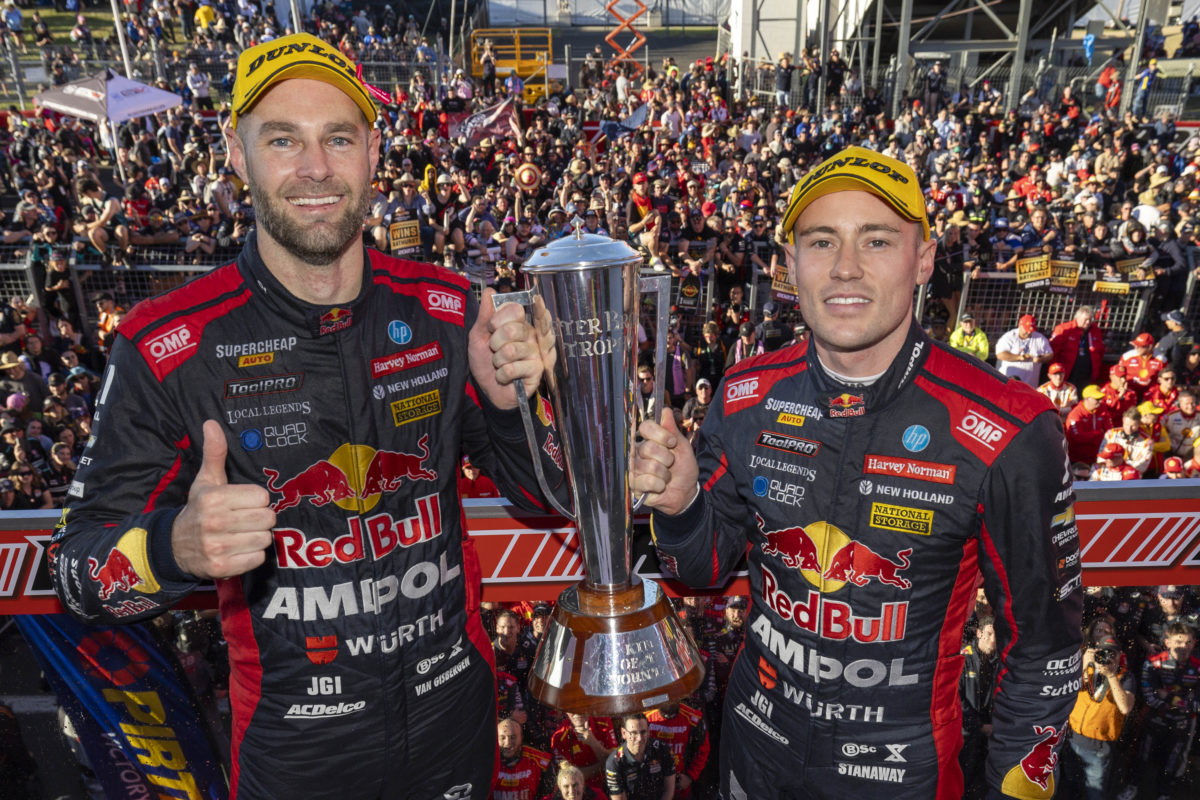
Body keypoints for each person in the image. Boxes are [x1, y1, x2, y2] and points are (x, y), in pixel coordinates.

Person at [48, 34, 562, 800]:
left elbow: (547, 501)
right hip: (296, 761)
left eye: (339, 138)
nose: (316, 168)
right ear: (236, 153)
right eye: (283, 139)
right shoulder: (166, 344)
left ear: (373, 153)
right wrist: (175, 548)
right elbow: (76, 576)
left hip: (458, 733)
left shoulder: (448, 309)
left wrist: (520, 403)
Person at [631, 147, 1081, 798]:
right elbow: (702, 569)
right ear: (790, 266)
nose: (846, 267)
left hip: (902, 775)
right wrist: (680, 510)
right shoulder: (744, 394)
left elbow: (1045, 651)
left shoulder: (1011, 428)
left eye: (876, 239)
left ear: (923, 257)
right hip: (753, 755)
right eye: (821, 241)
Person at [1119, 622, 1200, 800]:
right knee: (1142, 756)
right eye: (1178, 642)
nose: (1183, 647)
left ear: (1194, 643)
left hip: (1181, 723)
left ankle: (1164, 793)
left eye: (1188, 642)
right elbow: (1149, 696)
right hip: (1154, 720)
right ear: (1167, 642)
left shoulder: (1198, 665)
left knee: (1172, 761)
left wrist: (1169, 697)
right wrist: (1182, 700)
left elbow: (1197, 703)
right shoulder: (1153, 662)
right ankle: (1132, 786)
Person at [1064, 622, 1134, 800]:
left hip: (1098, 748)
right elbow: (1068, 691)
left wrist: (1111, 675)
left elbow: (1125, 707)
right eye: (1104, 652)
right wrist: (1083, 665)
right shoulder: (1085, 668)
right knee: (1071, 786)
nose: (1108, 657)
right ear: (1096, 652)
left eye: (1113, 653)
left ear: (1120, 655)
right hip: (1073, 740)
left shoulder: (1125, 676)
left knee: (1094, 793)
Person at [959, 617, 998, 800]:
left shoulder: (999, 661)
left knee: (983, 781)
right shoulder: (964, 658)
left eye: (996, 635)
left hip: (992, 733)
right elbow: (957, 699)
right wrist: (978, 725)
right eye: (989, 634)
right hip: (967, 733)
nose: (993, 640)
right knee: (964, 779)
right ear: (979, 633)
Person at [605, 713, 676, 800]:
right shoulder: (614, 762)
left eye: (643, 732)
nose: (639, 738)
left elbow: (668, 791)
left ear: (649, 731)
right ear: (624, 733)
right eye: (633, 733)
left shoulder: (662, 749)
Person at [495, 717, 552, 800]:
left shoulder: (539, 761)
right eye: (502, 737)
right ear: (496, 738)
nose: (508, 743)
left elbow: (550, 792)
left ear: (521, 738)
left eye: (513, 737)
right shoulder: (487, 761)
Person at [1050, 306, 1105, 389]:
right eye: (1085, 319)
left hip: (1087, 375)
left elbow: (1100, 351)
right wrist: (1055, 372)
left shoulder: (1095, 331)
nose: (1088, 322)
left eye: (1090, 320)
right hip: (1067, 374)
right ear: (1077, 318)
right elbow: (1053, 351)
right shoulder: (1064, 329)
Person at [994, 313, 1054, 388]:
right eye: (1027, 329)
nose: (1029, 332)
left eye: (1031, 330)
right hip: (1008, 383)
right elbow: (1000, 354)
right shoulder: (1009, 337)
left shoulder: (1040, 338)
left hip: (1030, 386)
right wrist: (1019, 357)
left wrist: (1041, 359)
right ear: (1020, 326)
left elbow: (1050, 354)